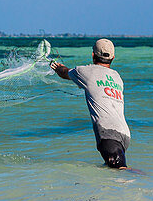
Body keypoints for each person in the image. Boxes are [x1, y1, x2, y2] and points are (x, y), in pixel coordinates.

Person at [50, 38, 131, 169]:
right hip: (125, 134)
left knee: (121, 170)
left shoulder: (86, 72)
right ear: (113, 57)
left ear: (93, 55)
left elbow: (64, 73)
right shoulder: (117, 77)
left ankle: (147, 180)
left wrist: (56, 66)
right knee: (109, 170)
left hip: (108, 133)